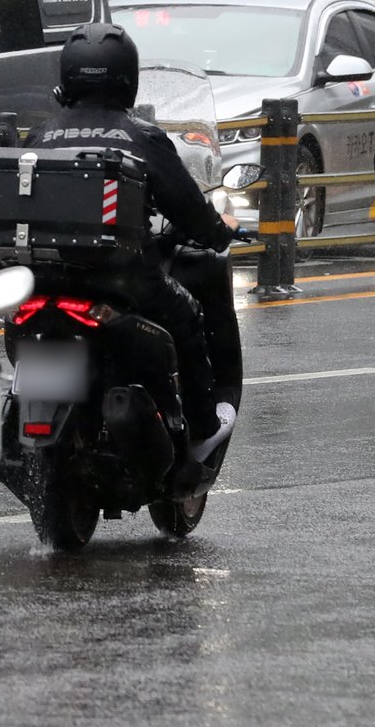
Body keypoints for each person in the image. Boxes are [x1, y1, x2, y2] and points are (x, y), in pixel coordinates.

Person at [25, 23, 238, 460]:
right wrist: (220, 231)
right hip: (122, 282)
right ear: (128, 78)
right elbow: (189, 211)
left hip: (44, 281)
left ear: (66, 78)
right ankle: (201, 428)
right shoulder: (142, 137)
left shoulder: (39, 136)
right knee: (188, 317)